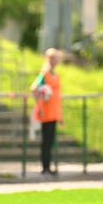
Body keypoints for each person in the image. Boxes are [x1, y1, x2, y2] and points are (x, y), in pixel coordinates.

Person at [30, 48, 64, 176]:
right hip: (46, 112)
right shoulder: (44, 75)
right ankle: (45, 167)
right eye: (53, 58)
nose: (55, 61)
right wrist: (41, 101)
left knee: (51, 141)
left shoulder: (56, 75)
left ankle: (48, 166)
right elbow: (34, 88)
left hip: (54, 112)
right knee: (46, 141)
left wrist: (60, 115)